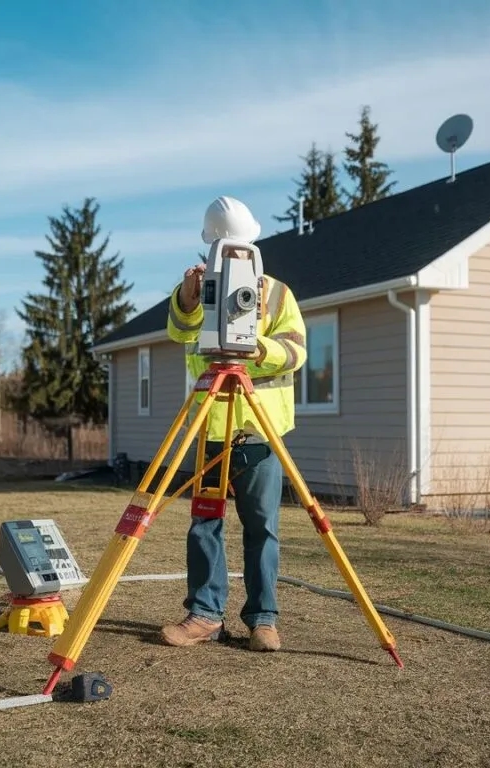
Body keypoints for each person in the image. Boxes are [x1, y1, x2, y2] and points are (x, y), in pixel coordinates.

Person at [161, 195, 307, 653]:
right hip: (211, 429)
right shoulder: (196, 289)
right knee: (205, 525)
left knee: (262, 526)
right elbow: (180, 332)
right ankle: (205, 616)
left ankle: (263, 620)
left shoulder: (277, 293)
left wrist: (257, 348)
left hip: (260, 432)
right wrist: (188, 298)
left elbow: (297, 351)